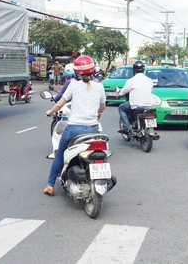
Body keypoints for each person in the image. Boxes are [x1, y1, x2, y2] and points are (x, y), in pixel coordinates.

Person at [43, 55, 106, 196]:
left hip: (73, 129)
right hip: (92, 129)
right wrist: (98, 113)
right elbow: (102, 107)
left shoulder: (74, 85)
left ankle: (50, 185)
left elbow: (60, 104)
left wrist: (50, 112)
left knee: (60, 154)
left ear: (78, 71)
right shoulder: (99, 86)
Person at [117, 60, 153, 134]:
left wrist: (119, 94)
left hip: (136, 105)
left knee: (121, 108)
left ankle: (128, 128)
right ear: (143, 70)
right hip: (148, 105)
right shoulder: (149, 80)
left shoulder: (131, 80)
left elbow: (124, 91)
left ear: (133, 70)